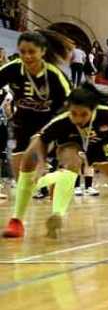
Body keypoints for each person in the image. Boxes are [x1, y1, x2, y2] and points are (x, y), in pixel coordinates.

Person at [9, 83, 108, 237]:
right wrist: (40, 163)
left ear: (94, 109)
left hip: (101, 146)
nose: (78, 119)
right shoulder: (61, 121)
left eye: (84, 114)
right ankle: (57, 215)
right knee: (71, 163)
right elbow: (41, 140)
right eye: (74, 114)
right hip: (71, 145)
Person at [1, 30, 74, 238]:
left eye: (32, 52)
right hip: (23, 124)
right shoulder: (12, 69)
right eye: (23, 51)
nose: (27, 56)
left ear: (42, 52)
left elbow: (70, 107)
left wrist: (46, 133)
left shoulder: (55, 76)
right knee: (22, 174)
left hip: (52, 124)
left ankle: (16, 221)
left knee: (29, 163)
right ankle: (54, 178)